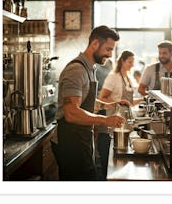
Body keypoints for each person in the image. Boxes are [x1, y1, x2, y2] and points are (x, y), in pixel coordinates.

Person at [54, 25, 126, 181]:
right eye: (108, 49)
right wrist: (105, 120)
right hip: (70, 142)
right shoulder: (76, 70)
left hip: (81, 138)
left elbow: (84, 100)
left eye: (112, 50)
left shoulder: (90, 68)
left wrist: (107, 104)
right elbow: (71, 112)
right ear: (94, 44)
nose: (110, 54)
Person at [96, 50, 144, 179]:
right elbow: (102, 97)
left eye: (133, 62)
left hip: (123, 124)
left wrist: (144, 99)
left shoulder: (128, 77)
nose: (132, 65)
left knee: (118, 161)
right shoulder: (114, 77)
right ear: (122, 61)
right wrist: (116, 102)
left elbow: (129, 102)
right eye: (129, 62)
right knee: (107, 160)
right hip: (109, 125)